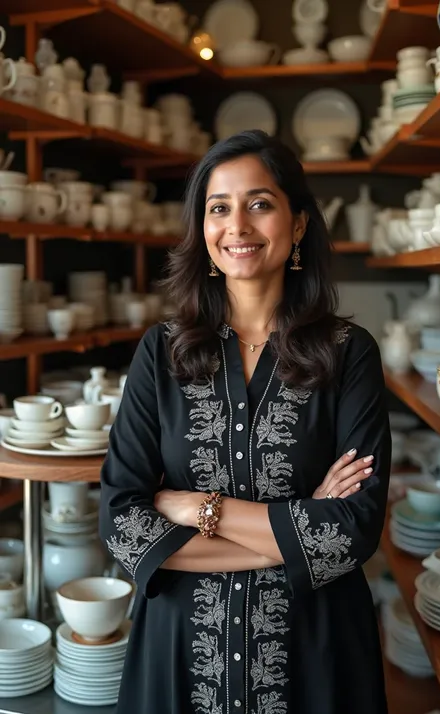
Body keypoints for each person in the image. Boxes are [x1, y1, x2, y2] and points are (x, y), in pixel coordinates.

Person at [99, 129, 392, 714]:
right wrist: (289, 536)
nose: (237, 226)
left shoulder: (348, 352)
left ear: (299, 223)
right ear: (202, 229)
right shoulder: (161, 353)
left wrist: (197, 508)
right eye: (218, 208)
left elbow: (352, 530)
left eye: (260, 203)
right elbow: (122, 525)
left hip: (314, 656)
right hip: (180, 656)